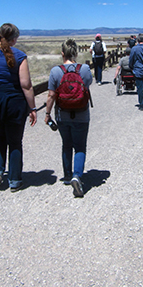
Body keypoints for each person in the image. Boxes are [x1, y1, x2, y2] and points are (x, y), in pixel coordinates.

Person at [0, 23, 37, 192]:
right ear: (14, 38)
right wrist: (32, 108)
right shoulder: (19, 56)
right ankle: (14, 180)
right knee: (15, 141)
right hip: (14, 103)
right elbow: (26, 85)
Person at [45, 39, 93, 198]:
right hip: (81, 114)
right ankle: (77, 176)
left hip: (62, 115)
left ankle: (67, 176)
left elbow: (51, 95)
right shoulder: (84, 69)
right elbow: (87, 85)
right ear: (76, 53)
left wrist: (47, 114)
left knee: (67, 144)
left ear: (62, 53)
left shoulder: (55, 71)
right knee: (80, 146)